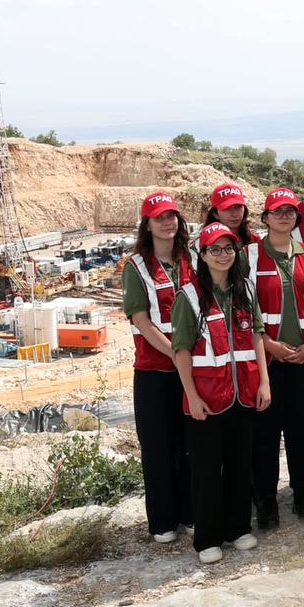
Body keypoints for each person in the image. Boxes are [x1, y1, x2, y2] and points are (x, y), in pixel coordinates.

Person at [172, 222, 271, 564]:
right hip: (207, 400)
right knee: (206, 469)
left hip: (243, 394)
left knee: (241, 464)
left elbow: (257, 336)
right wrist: (192, 397)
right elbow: (181, 351)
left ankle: (238, 527)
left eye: (229, 248)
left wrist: (264, 382)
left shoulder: (246, 289)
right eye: (215, 249)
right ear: (202, 254)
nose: (223, 255)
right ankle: (208, 538)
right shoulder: (189, 296)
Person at [249, 187, 304, 528]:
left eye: (290, 212)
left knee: (303, 430)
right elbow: (244, 311)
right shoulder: (248, 257)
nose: (284, 217)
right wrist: (269, 345)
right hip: (267, 361)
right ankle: (266, 502)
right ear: (265, 218)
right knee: (265, 433)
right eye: (277, 212)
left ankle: (303, 496)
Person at [122, 191, 194, 544]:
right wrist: (177, 356)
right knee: (158, 447)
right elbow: (143, 322)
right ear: (147, 225)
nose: (168, 223)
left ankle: (190, 511)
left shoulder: (190, 260)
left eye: (172, 216)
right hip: (155, 372)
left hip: (192, 371)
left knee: (190, 444)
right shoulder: (136, 267)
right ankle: (163, 521)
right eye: (159, 217)